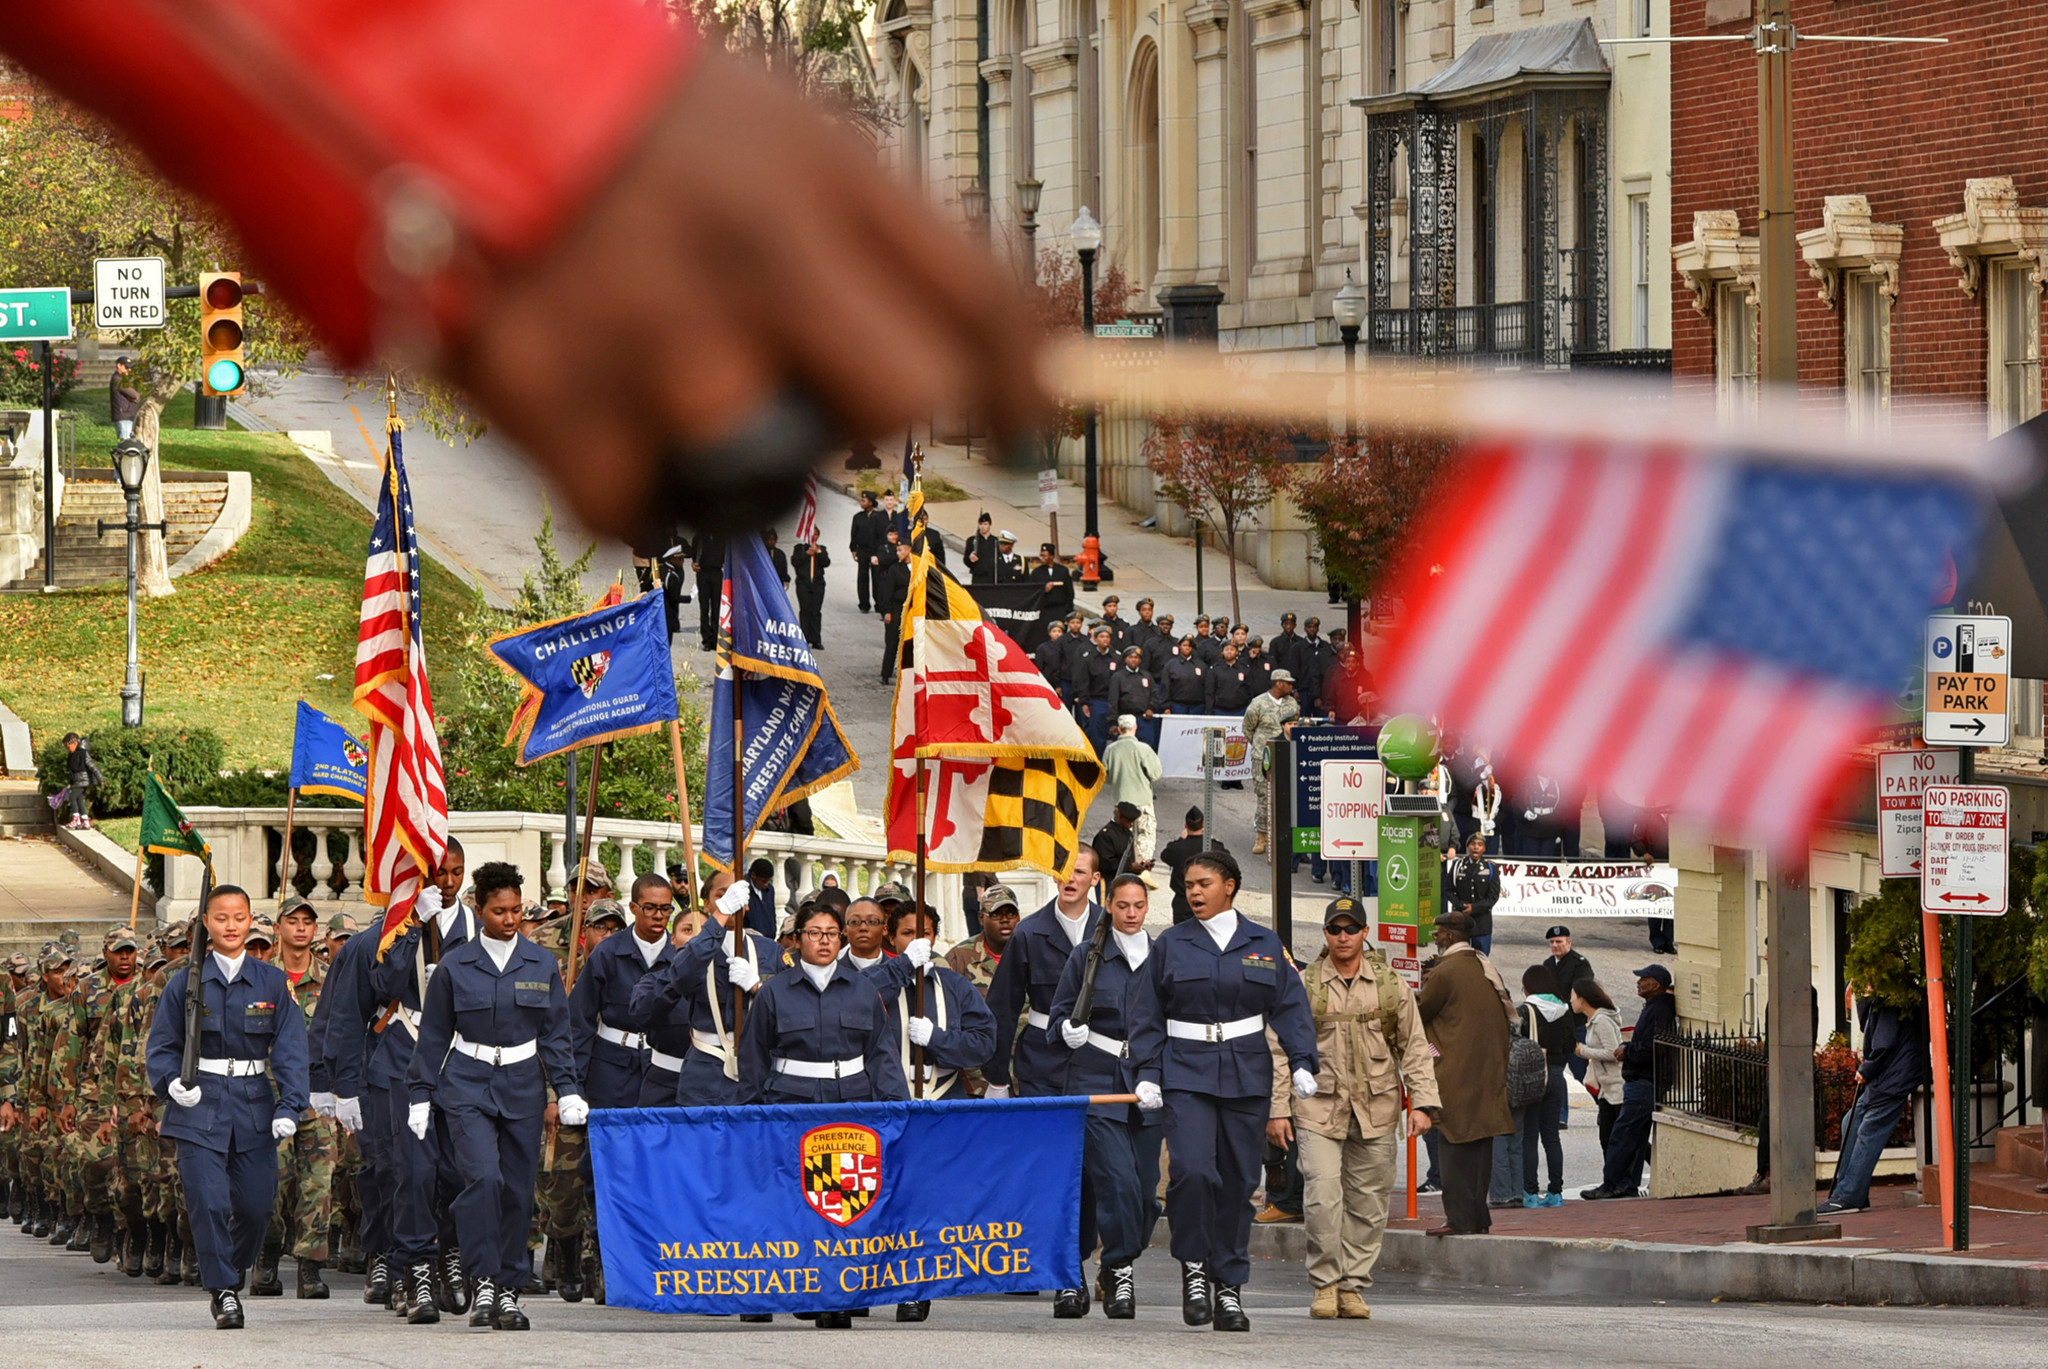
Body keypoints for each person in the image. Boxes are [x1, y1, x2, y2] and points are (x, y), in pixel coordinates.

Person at [408, 861, 584, 1331]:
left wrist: (566, 1089)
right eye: (499, 911)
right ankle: (483, 1278)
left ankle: (509, 1290)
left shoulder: (542, 963)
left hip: (523, 1085)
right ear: (480, 909)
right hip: (466, 1083)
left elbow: (556, 1035)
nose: (510, 919)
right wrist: (421, 1093)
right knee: (483, 1180)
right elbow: (434, 1033)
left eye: (515, 910)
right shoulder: (455, 964)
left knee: (518, 1191)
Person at [1148, 850, 1317, 1333]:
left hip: (1246, 1075)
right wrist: (1145, 1070)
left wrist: (1304, 1060)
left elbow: (1290, 1005)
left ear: (1231, 886)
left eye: (1203, 883)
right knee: (1193, 1173)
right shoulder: (1172, 943)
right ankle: (1195, 1268)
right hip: (1186, 1073)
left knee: (1240, 1182)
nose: (1193, 892)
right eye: (1187, 885)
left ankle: (1229, 1286)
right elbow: (1147, 1011)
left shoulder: (1263, 943)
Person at [145, 883, 311, 1330]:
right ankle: (223, 1290)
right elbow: (161, 1046)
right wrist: (170, 1084)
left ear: (251, 920)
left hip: (255, 1103)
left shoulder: (273, 981)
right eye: (221, 918)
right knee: (209, 1200)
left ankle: (229, 1271)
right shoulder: (184, 983)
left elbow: (292, 1049)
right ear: (205, 924)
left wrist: (290, 1106)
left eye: (239, 917)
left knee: (258, 1206)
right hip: (199, 1103)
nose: (231, 926)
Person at [738, 904, 909, 1331]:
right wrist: (749, 1117)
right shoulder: (775, 992)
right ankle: (782, 1288)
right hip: (789, 1105)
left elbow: (882, 1054)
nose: (825, 940)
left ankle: (835, 1296)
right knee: (791, 1202)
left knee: (841, 1202)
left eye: (833, 932)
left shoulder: (863, 990)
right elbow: (754, 1057)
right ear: (797, 940)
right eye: (815, 932)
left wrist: (897, 1107)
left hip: (849, 1102)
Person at [1270, 896, 1439, 1321]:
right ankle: (1325, 1283)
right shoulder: (1304, 985)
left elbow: (1414, 1048)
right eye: (1335, 929)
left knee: (1369, 1203)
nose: (1342, 936)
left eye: (1351, 929)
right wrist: (1277, 1109)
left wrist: (1422, 1103)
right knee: (1322, 1198)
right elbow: (1278, 1049)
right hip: (1318, 1109)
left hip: (1376, 1108)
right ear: (1325, 934)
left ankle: (1353, 1285)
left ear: (1365, 933)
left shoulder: (1389, 985)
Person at [1045, 873, 1166, 1320]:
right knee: (1113, 1181)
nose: (1131, 914)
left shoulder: (1161, 957)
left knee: (1146, 1195)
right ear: (1109, 906)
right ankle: (1115, 1268)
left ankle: (1113, 1260)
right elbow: (1058, 1016)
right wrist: (1068, 1030)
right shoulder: (1087, 955)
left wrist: (1158, 1074)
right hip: (1096, 1082)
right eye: (1123, 906)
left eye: (1138, 906)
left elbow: (1173, 1022)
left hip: (1148, 1086)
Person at [366, 843, 473, 1322]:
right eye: (440, 874)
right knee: (411, 1170)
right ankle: (416, 1268)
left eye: (456, 873)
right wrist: (411, 930)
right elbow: (382, 984)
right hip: (407, 1050)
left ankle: (451, 1252)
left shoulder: (475, 926)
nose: (447, 884)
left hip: (460, 1058)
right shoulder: (401, 923)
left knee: (456, 1171)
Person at [625, 874, 784, 1106]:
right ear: (707, 905)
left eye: (737, 895)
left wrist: (758, 988)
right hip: (706, 1072)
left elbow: (791, 1011)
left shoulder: (771, 951)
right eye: (722, 895)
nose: (733, 901)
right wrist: (721, 915)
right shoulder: (694, 951)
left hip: (758, 1068)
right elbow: (680, 976)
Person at [1414, 910, 1513, 1236]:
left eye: (1440, 932)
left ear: (1451, 936)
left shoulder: (1447, 971)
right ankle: (1477, 1218)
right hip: (1485, 1074)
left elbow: (1421, 1012)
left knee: (1453, 1150)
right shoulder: (1484, 967)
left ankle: (1458, 1219)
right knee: (1479, 1152)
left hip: (1454, 1073)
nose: (1436, 937)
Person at [261, 899, 340, 1299]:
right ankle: (267, 1256)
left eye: (308, 922)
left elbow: (343, 1035)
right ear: (278, 928)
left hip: (319, 1095)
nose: (301, 929)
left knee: (318, 1184)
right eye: (292, 921)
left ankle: (310, 1268)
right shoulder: (262, 979)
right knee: (272, 1180)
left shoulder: (329, 979)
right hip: (271, 1095)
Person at [984, 848, 1102, 1103]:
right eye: (1064, 871)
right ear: (1053, 875)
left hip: (1099, 1063)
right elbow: (1003, 1008)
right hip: (1042, 1064)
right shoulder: (1029, 933)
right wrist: (997, 1078)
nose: (1070, 879)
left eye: (1079, 872)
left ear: (1095, 878)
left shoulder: (1111, 931)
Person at [1818, 993, 1931, 1216]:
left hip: (1895, 1078)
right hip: (1887, 1075)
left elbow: (1884, 1043)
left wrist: (1866, 1069)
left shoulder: (1889, 1002)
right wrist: (1863, 1002)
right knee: (1850, 1120)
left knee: (1869, 1130)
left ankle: (1848, 1195)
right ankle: (1849, 1191)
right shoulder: (1878, 1002)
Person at [1581, 964, 1677, 1200]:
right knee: (1634, 1136)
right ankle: (1627, 1184)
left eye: (1643, 979)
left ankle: (1612, 1183)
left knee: (1623, 1134)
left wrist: (1628, 1050)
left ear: (1655, 985)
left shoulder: (1658, 1011)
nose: (1638, 983)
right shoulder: (1655, 1008)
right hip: (1643, 1080)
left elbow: (1652, 1049)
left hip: (1644, 1081)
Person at [1516, 965, 1571, 1207]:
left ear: (1528, 987)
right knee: (1551, 1137)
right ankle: (1556, 1192)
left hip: (1533, 1077)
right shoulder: (1564, 1009)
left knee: (1529, 1136)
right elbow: (1571, 1043)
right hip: (1557, 1073)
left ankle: (1530, 1192)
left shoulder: (1525, 1011)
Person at [1242, 671, 1300, 857]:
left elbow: (1296, 725)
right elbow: (1248, 729)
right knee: (1264, 796)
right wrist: (1261, 746)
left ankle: (1287, 837)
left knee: (1289, 796)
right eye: (1288, 683)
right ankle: (1262, 836)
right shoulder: (1258, 704)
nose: (1292, 686)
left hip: (1287, 754)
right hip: (1264, 758)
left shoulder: (1292, 703)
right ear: (1279, 684)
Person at [1572, 980, 1625, 1159]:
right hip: (1605, 1088)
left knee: (1620, 1139)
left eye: (1573, 996)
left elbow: (1613, 1052)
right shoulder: (1593, 1021)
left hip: (1617, 1088)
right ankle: (1610, 1180)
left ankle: (1620, 1180)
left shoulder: (1602, 1021)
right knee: (1606, 1138)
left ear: (1582, 999)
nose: (1571, 1000)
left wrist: (1583, 1051)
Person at [1101, 716, 1163, 867]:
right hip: (1142, 800)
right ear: (1135, 729)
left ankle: (1125, 866)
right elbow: (1156, 774)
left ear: (1119, 729)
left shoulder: (1110, 750)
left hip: (1120, 802)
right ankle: (1143, 867)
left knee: (1121, 835)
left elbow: (1106, 778)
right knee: (1145, 835)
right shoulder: (1143, 749)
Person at [1156, 808, 1226, 925]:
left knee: (1183, 938)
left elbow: (1165, 855)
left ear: (1186, 825)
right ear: (1203, 825)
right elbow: (1226, 857)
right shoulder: (1213, 846)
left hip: (1184, 902)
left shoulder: (1178, 848)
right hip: (1208, 901)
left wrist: (1182, 839)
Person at [1446, 833, 1500, 954]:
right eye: (1473, 844)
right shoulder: (1458, 865)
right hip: (1461, 920)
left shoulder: (1490, 868)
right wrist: (1460, 905)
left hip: (1482, 923)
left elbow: (1493, 897)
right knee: (1459, 957)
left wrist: (1474, 908)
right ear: (1468, 846)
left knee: (1481, 960)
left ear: (1484, 848)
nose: (1476, 847)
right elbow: (1448, 889)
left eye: (1480, 845)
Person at [878, 539, 913, 682]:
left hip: (913, 609)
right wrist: (887, 611)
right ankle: (886, 674)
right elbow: (888, 591)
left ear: (909, 550)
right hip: (897, 608)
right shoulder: (895, 569)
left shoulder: (918, 568)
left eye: (901, 550)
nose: (898, 553)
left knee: (911, 644)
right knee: (892, 641)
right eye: (897, 550)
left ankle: (909, 674)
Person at [1111, 647, 1159, 747]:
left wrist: (1151, 708)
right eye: (1130, 657)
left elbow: (1155, 694)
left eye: (1136, 657)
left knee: (1147, 747)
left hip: (1144, 720)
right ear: (1125, 659)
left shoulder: (1146, 676)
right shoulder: (1118, 677)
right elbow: (1113, 701)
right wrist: (1113, 722)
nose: (1133, 659)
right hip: (1125, 719)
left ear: (1140, 660)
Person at [850, 491, 887, 613]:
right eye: (861, 500)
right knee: (862, 578)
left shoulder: (879, 517)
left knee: (877, 578)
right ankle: (864, 604)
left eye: (864, 501)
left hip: (875, 551)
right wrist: (853, 549)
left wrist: (880, 552)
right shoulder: (858, 517)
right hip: (862, 550)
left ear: (871, 502)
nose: (862, 502)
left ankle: (879, 604)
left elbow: (882, 536)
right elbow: (854, 534)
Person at [60, 732, 105, 831]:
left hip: (84, 780)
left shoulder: (83, 754)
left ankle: (76, 819)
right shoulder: (71, 755)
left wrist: (100, 778)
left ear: (75, 743)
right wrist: (70, 782)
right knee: (80, 799)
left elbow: (93, 766)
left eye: (68, 747)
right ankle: (85, 821)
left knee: (73, 797)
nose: (68, 749)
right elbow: (71, 771)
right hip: (77, 781)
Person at [792, 530, 830, 649]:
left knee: (816, 611)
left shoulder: (822, 548)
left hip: (817, 584)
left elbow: (826, 563)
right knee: (805, 610)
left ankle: (815, 639)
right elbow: (795, 562)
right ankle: (804, 638)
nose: (814, 537)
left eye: (816, 535)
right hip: (803, 584)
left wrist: (818, 552)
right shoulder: (800, 548)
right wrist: (807, 553)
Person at [691, 532, 726, 652]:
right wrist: (694, 565)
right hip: (703, 572)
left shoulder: (722, 537)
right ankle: (706, 639)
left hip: (716, 572)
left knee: (716, 606)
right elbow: (694, 555)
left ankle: (715, 637)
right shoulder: (699, 537)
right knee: (704, 607)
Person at [1091, 802, 1142, 881]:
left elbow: (1128, 857)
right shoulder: (1106, 835)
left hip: (1123, 879)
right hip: (1107, 880)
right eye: (1129, 821)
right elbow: (1105, 864)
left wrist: (1140, 866)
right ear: (1120, 817)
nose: (1132, 824)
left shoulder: (1127, 833)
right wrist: (1130, 867)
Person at [1161, 637, 1213, 714]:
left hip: (1198, 707)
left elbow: (1207, 687)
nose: (1187, 648)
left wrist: (1208, 707)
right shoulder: (1171, 665)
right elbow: (1165, 687)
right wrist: (1166, 707)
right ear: (1180, 647)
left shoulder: (1202, 665)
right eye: (1184, 645)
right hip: (1177, 706)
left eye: (1189, 646)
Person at [1030, 543, 1076, 620]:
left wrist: (1068, 610)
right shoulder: (1036, 572)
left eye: (1044, 556)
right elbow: (1032, 590)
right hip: (1044, 610)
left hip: (1059, 609)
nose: (1042, 558)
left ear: (1051, 556)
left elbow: (1069, 592)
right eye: (1041, 555)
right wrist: (1044, 589)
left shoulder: (1062, 571)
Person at [964, 511, 1000, 583]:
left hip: (992, 576)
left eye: (985, 524)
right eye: (981, 524)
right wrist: (970, 558)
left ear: (990, 525)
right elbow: (966, 559)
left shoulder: (995, 541)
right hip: (978, 576)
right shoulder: (972, 540)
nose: (983, 527)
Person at [110, 357, 141, 441]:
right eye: (126, 367)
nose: (129, 370)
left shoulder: (122, 379)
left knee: (126, 443)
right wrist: (136, 397)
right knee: (125, 443)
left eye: (130, 368)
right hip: (124, 416)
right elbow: (135, 395)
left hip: (127, 415)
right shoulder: (117, 379)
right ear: (119, 365)